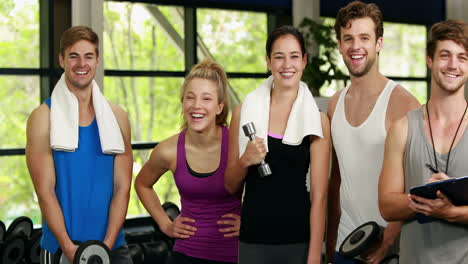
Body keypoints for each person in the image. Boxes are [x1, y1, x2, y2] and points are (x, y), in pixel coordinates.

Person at [26, 26, 133, 263]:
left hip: (113, 246)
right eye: (73, 56)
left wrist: (105, 246)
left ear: (97, 60)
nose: (81, 64)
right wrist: (68, 247)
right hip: (62, 249)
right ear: (62, 59)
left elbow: (122, 187)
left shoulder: (118, 117)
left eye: (88, 56)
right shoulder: (42, 117)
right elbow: (45, 191)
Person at [225, 25, 330, 264]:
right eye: (279, 57)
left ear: (304, 61)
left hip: (297, 240)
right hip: (253, 240)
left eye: (294, 56)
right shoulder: (244, 112)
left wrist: (314, 257)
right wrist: (245, 160)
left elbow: (320, 196)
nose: (287, 65)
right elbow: (230, 185)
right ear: (268, 62)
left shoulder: (318, 120)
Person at [325, 1, 420, 263]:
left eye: (364, 38)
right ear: (340, 45)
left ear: (378, 44)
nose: (356, 46)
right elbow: (336, 181)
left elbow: (417, 185)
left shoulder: (403, 103)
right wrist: (330, 242)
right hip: (344, 245)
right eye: (348, 38)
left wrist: (387, 242)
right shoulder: (334, 104)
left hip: (386, 249)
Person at [135, 59, 242, 264]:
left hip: (234, 255)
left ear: (220, 106)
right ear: (183, 103)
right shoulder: (168, 150)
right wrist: (165, 224)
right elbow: (142, 184)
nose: (196, 106)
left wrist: (251, 222)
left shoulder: (238, 145)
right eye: (190, 98)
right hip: (185, 255)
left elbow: (267, 192)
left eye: (206, 99)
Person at [379, 20, 468, 264]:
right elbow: (386, 205)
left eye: (462, 57)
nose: (453, 65)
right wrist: (428, 199)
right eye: (445, 55)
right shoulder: (402, 128)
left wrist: (451, 211)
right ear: (430, 60)